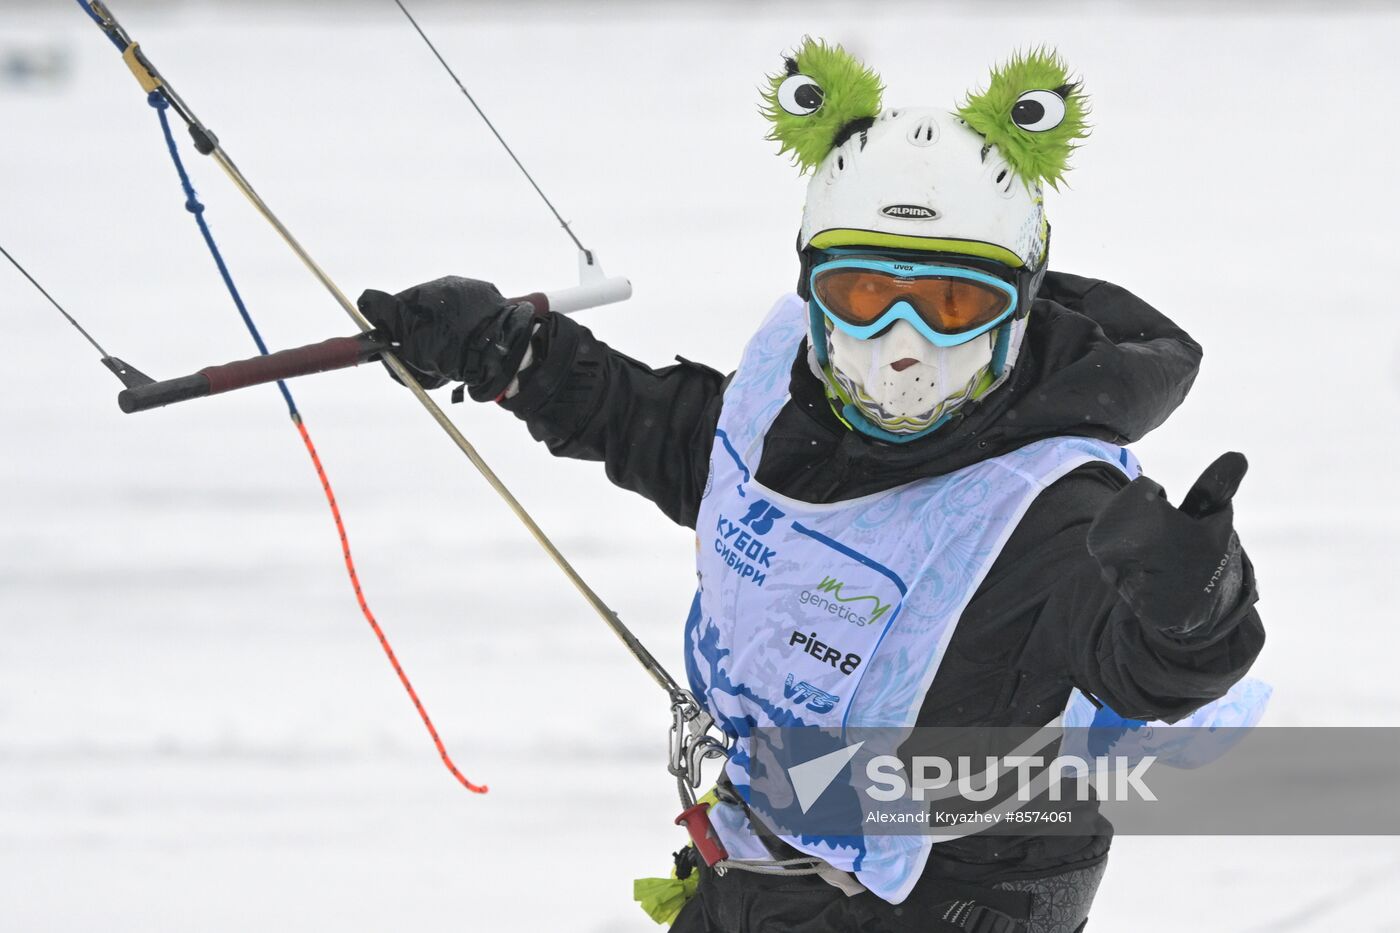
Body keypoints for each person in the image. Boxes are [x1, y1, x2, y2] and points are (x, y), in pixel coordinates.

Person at [358, 42, 1264, 933]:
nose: (905, 345)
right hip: (763, 869)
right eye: (867, 293)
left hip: (949, 901)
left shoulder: (1057, 510)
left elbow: (1141, 663)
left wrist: (1196, 612)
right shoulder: (792, 406)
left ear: (1017, 312)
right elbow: (697, 451)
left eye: (954, 305)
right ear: (814, 292)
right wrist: (519, 358)